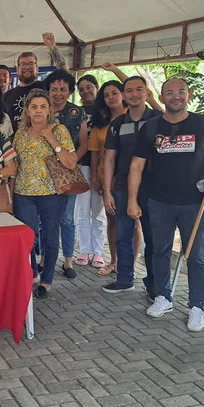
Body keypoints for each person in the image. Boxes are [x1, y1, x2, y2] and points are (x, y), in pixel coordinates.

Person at [128, 78, 204, 332]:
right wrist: (132, 200)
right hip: (159, 201)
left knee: (196, 255)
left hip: (194, 202)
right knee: (159, 250)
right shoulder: (151, 127)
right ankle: (163, 296)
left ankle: (196, 305)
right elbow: (136, 165)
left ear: (189, 95)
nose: (176, 96)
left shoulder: (203, 123)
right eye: (169, 93)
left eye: (181, 92)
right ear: (161, 98)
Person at [13, 89, 76, 299]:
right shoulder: (20, 133)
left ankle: (47, 280)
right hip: (24, 193)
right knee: (27, 238)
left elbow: (71, 162)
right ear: (27, 110)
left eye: (42, 106)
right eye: (34, 107)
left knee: (50, 237)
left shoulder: (59, 130)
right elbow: (14, 164)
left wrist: (51, 139)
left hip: (52, 193)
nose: (38, 111)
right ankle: (33, 274)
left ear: (49, 110)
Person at [102, 76, 162, 297]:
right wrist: (107, 191)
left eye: (139, 89)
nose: (134, 94)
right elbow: (109, 158)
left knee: (153, 238)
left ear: (147, 92)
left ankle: (154, 283)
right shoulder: (118, 124)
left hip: (154, 187)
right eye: (129, 90)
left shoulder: (158, 118)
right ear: (124, 95)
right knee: (123, 235)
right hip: (123, 186)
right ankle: (124, 278)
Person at [43, 70, 89, 279]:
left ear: (69, 91)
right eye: (54, 89)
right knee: (45, 217)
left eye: (63, 89)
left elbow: (84, 142)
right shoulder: (41, 110)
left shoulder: (77, 112)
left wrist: (72, 161)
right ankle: (44, 258)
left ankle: (68, 260)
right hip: (44, 172)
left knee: (68, 218)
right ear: (48, 91)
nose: (58, 93)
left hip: (69, 172)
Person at [88, 81, 128, 275]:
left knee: (132, 221)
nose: (111, 97)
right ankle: (114, 261)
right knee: (112, 221)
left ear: (123, 94)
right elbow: (95, 153)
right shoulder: (100, 122)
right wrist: (95, 178)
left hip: (131, 177)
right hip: (107, 177)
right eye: (106, 95)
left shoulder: (133, 116)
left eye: (114, 93)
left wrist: (113, 69)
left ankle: (129, 265)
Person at [3, 32, 69, 132]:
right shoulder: (7, 96)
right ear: (17, 69)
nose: (27, 67)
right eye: (23, 64)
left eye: (31, 64)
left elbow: (64, 72)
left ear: (37, 68)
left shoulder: (46, 87)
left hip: (45, 139)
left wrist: (52, 47)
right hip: (17, 140)